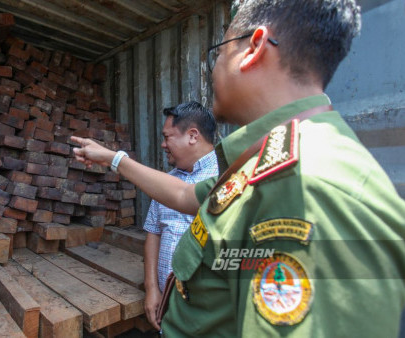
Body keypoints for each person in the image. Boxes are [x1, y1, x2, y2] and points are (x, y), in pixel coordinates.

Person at [71, 0, 405, 336]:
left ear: (255, 47)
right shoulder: (269, 161)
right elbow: (186, 195)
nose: (214, 67)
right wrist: (112, 158)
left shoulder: (313, 188)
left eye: (219, 50)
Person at [143, 102, 218, 330]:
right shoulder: (167, 181)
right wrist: (152, 289)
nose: (163, 144)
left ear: (193, 136)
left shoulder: (224, 178)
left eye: (168, 137)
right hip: (166, 302)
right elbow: (153, 233)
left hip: (205, 310)